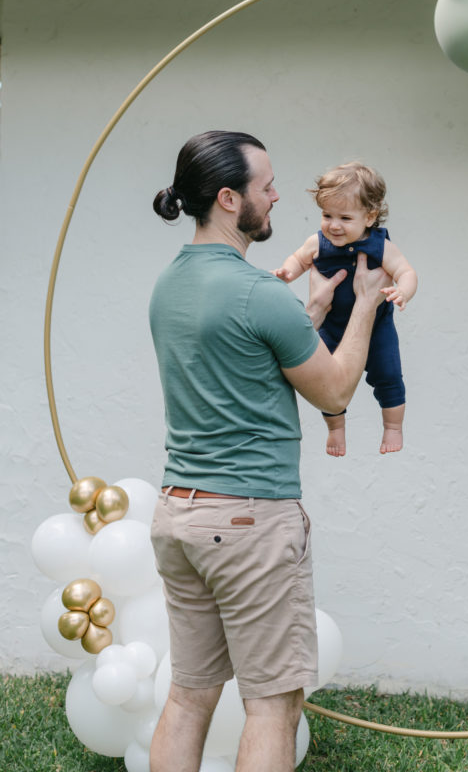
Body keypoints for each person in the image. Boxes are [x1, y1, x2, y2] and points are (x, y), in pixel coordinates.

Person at [147, 131, 390, 772]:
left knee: (190, 695)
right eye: (267, 186)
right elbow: (335, 388)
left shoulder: (168, 286)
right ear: (230, 199)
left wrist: (306, 315)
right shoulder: (259, 294)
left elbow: (241, 365)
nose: (279, 195)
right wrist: (362, 304)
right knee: (273, 705)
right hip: (248, 523)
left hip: (179, 516)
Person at [273, 161, 417, 457]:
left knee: (389, 375)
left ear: (370, 216)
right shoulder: (319, 242)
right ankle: (336, 431)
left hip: (377, 327)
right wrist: (287, 272)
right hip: (330, 325)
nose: (333, 225)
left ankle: (392, 427)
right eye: (327, 215)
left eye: (345, 217)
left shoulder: (380, 245)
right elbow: (299, 259)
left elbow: (407, 272)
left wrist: (403, 291)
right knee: (325, 380)